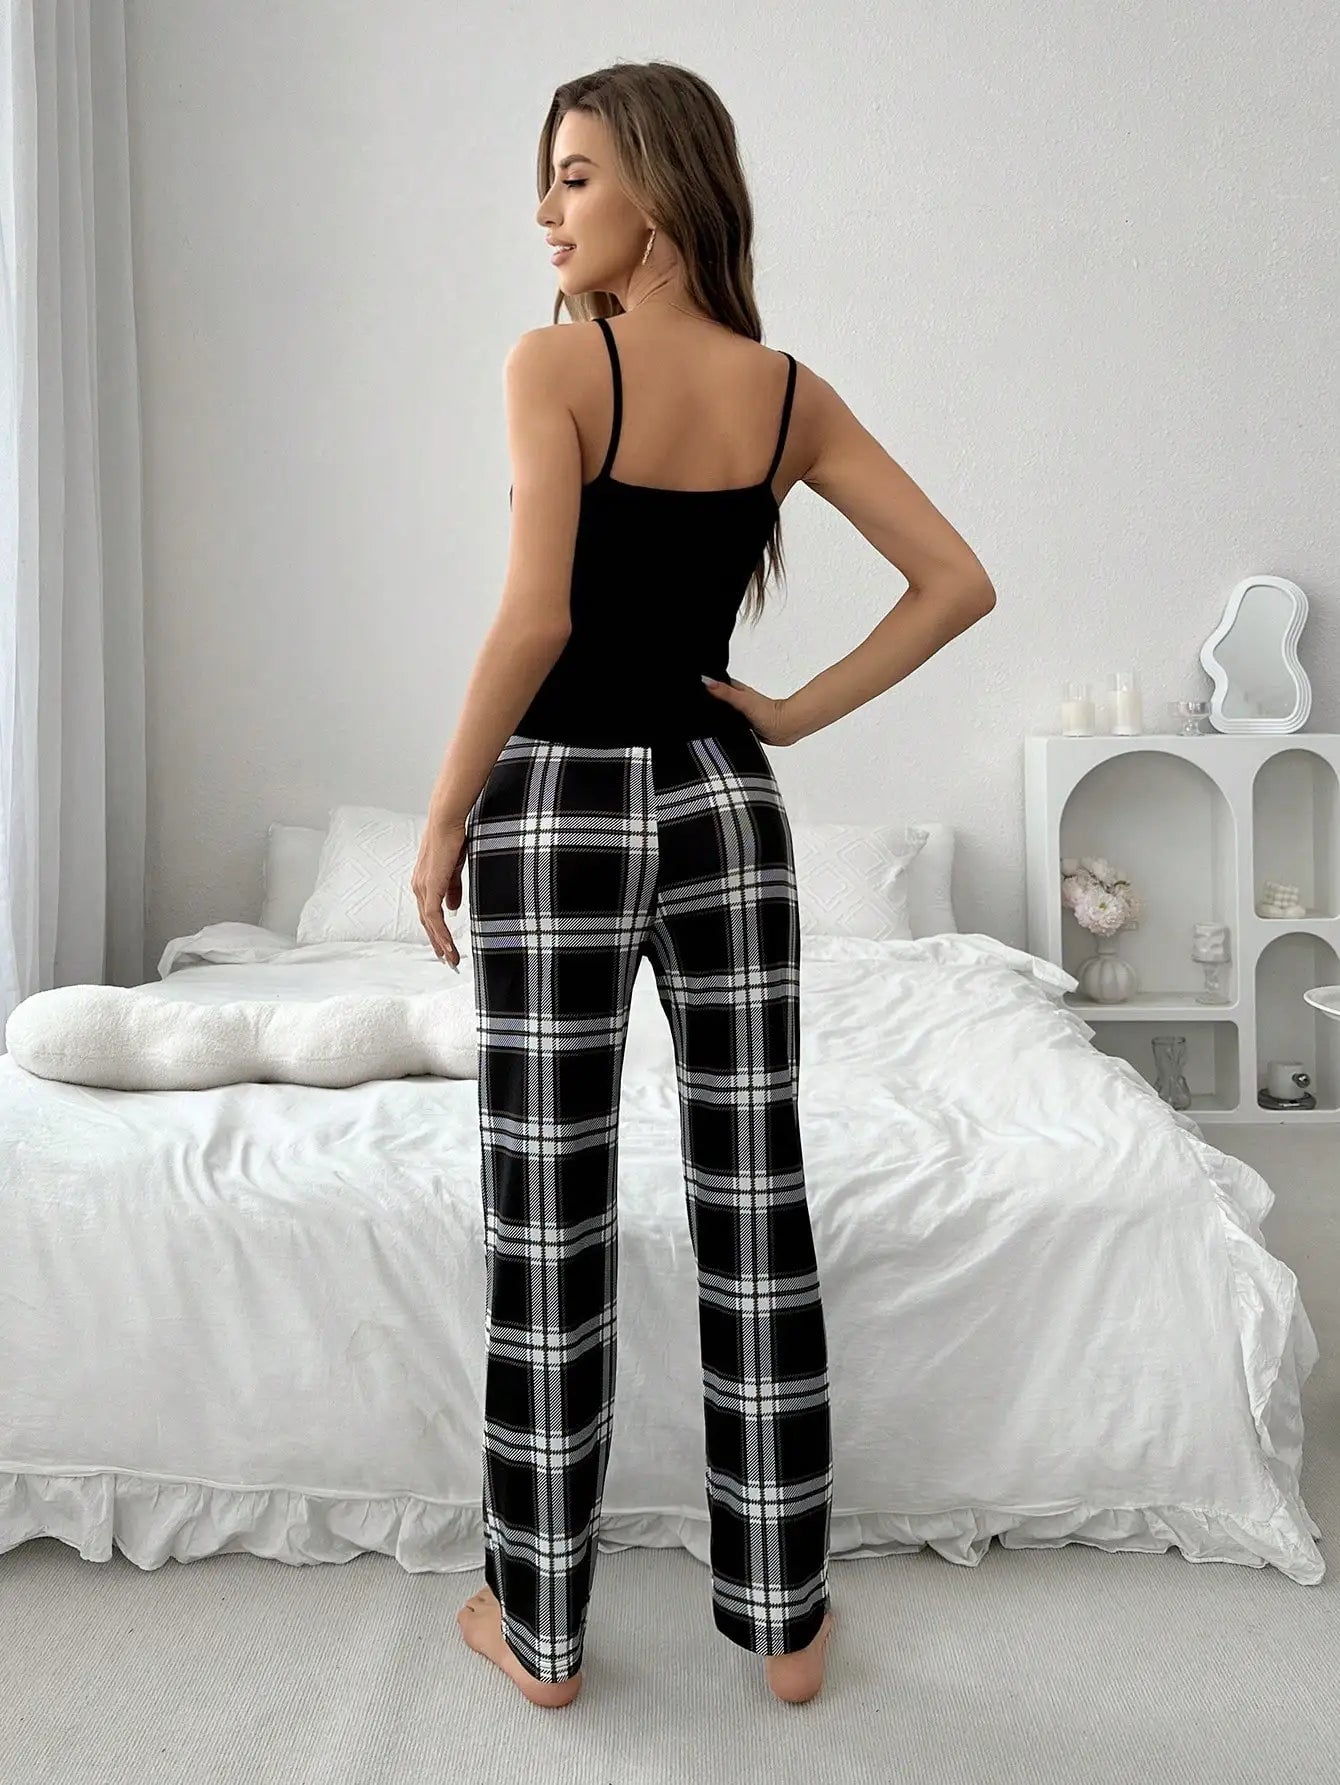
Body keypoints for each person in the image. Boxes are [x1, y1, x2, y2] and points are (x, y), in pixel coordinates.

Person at [412, 61, 996, 1711]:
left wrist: (443, 818)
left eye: (575, 176)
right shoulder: (787, 392)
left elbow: (536, 621)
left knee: (550, 1207)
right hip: (726, 807)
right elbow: (957, 579)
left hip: (560, 808)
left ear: (659, 197)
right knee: (755, 1194)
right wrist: (787, 716)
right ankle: (787, 1622)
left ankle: (539, 1629)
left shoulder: (555, 365)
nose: (547, 211)